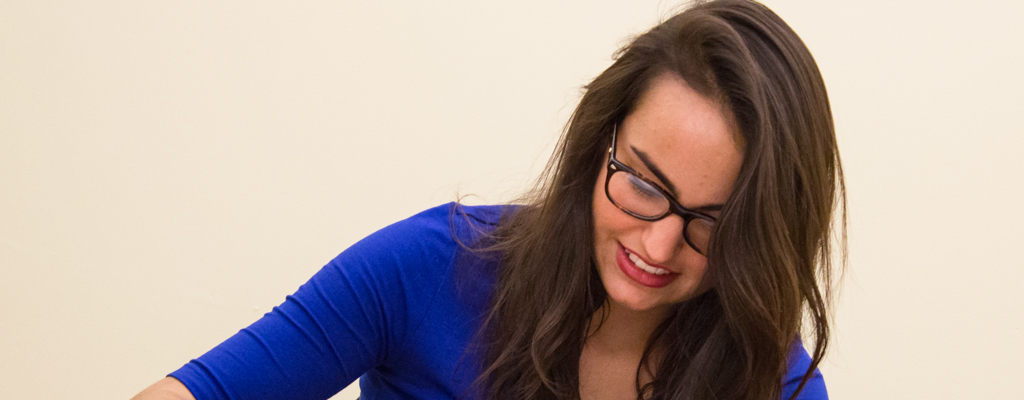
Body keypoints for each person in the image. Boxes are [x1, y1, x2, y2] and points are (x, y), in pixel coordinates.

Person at [134, 0, 845, 399]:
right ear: (598, 144)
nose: (657, 245)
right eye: (642, 184)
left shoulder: (775, 381)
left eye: (713, 224)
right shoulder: (428, 269)